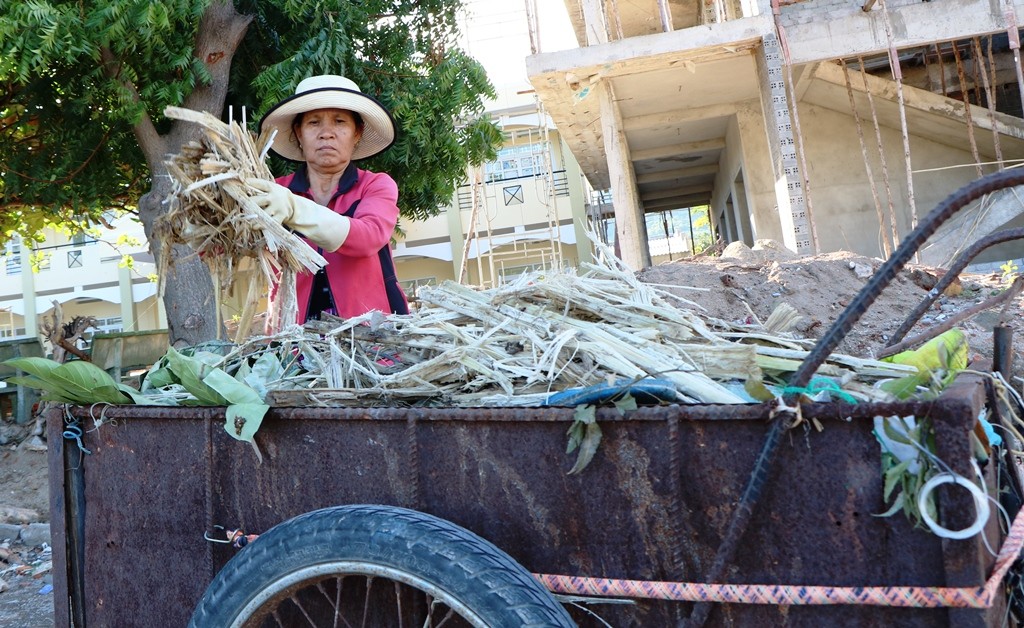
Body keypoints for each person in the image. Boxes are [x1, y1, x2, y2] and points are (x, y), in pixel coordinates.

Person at [251, 74, 409, 322]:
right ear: (299, 133)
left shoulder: (375, 185)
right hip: (293, 343)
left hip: (371, 341)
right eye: (314, 123)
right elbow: (224, 245)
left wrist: (295, 210)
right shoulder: (274, 192)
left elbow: (369, 236)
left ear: (357, 133)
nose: (327, 133)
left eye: (339, 122)